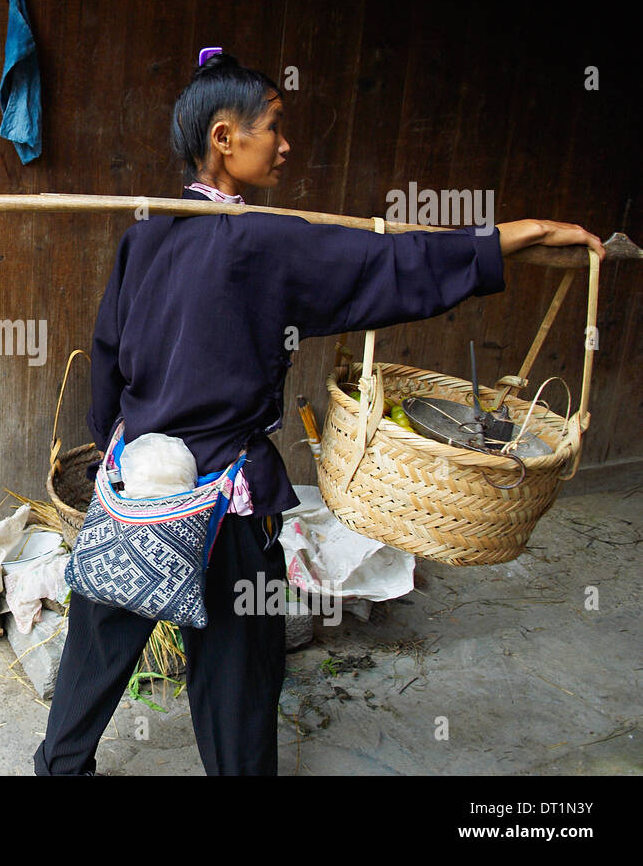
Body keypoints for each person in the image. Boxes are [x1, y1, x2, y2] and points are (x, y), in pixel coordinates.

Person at [33, 50, 605, 776]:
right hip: (227, 496)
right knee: (240, 662)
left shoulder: (143, 235)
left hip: (135, 478)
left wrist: (118, 446)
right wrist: (501, 241)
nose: (286, 144)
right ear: (223, 138)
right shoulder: (266, 241)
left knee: (102, 626)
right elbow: (391, 264)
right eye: (274, 126)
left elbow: (107, 354)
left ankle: (60, 765)